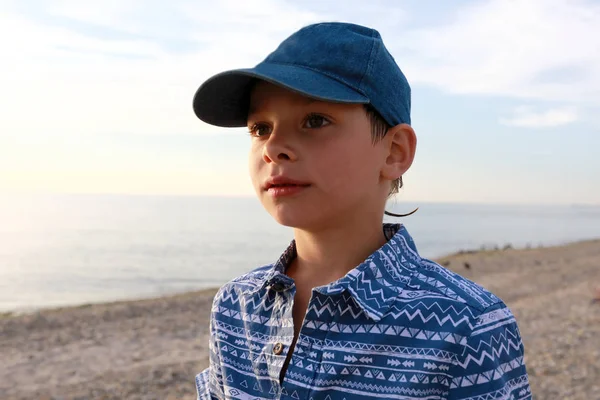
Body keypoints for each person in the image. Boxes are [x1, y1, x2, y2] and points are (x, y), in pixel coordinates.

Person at [191, 22, 531, 400]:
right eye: (260, 128)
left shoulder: (467, 326)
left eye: (315, 121)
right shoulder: (235, 306)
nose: (274, 147)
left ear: (394, 152)